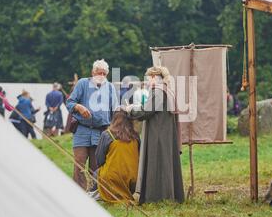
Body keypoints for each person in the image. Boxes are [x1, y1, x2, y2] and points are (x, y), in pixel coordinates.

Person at [125, 66, 184, 205]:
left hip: (158, 135)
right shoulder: (167, 90)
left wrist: (130, 109)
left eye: (147, 78)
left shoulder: (158, 92)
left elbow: (145, 112)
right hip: (165, 134)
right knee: (165, 165)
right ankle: (169, 197)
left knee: (158, 165)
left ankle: (157, 198)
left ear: (153, 77)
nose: (146, 81)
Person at [66, 59, 118, 191]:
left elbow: (116, 111)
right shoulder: (83, 83)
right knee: (79, 164)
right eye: (98, 72)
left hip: (100, 133)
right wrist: (79, 107)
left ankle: (95, 194)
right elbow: (69, 102)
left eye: (104, 73)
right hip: (82, 131)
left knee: (97, 166)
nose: (101, 76)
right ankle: (78, 192)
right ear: (92, 72)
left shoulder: (110, 87)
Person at [90, 109, 139, 203]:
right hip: (134, 178)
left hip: (111, 178)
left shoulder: (107, 134)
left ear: (114, 119)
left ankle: (99, 194)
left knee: (97, 173)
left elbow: (99, 159)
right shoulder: (136, 136)